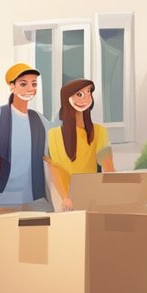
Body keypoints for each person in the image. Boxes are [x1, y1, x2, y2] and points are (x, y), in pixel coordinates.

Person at [0, 64, 53, 210]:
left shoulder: (38, 119)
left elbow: (53, 146)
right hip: (4, 196)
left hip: (34, 197)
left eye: (34, 84)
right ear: (12, 86)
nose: (30, 88)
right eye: (23, 84)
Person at [44, 78, 116, 211]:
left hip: (94, 196)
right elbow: (54, 169)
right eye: (79, 94)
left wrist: (112, 192)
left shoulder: (99, 131)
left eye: (89, 92)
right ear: (67, 99)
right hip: (67, 201)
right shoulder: (54, 134)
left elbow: (108, 165)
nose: (86, 98)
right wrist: (65, 197)